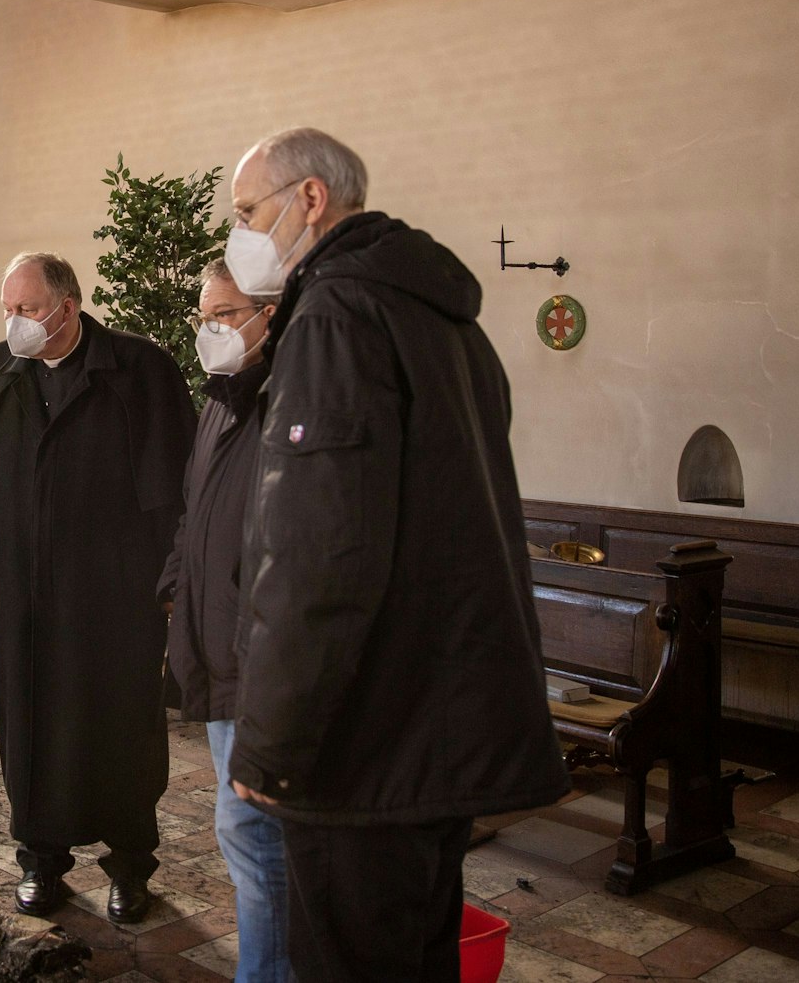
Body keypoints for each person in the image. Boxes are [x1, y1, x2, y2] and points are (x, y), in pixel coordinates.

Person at [223, 128, 569, 982]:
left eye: (249, 211)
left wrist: (270, 744)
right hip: (436, 722)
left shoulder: (335, 314)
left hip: (363, 743)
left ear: (311, 199)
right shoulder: (441, 316)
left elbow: (319, 554)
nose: (241, 233)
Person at [0, 251, 195, 923]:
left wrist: (173, 575)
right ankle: (40, 859)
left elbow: (179, 486)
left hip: (119, 592)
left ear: (67, 307)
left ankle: (130, 864)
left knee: (123, 722)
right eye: (8, 309)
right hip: (26, 590)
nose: (13, 321)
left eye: (26, 308)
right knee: (30, 721)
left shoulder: (141, 369)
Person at [157, 259, 290, 982]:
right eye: (203, 317)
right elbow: (195, 509)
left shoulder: (287, 402)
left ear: (270, 314)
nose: (210, 330)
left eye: (225, 315)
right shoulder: (218, 401)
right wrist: (176, 589)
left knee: (253, 837)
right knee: (248, 837)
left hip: (258, 660)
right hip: (214, 647)